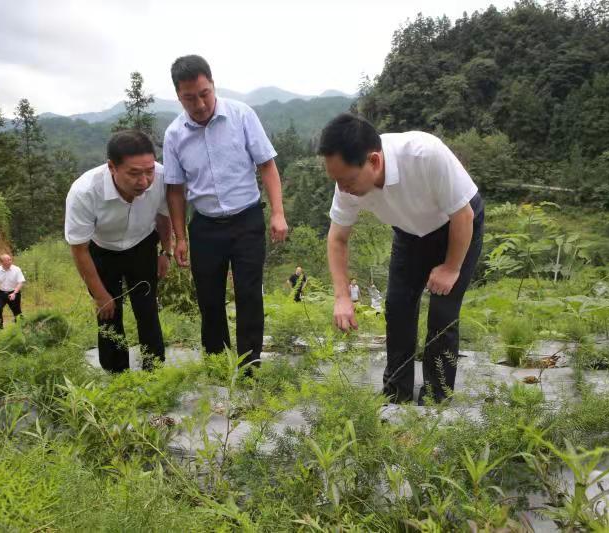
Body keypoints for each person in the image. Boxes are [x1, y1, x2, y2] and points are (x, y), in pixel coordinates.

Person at [320, 113, 484, 405]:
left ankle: (436, 397)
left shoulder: (424, 154)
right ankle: (397, 393)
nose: (342, 188)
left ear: (374, 161)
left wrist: (450, 267)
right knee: (397, 307)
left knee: (442, 314)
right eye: (336, 180)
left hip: (458, 226)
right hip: (409, 234)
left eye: (347, 180)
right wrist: (341, 296)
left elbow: (464, 215)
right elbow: (337, 238)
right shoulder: (345, 182)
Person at [163, 55, 288, 373]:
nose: (200, 103)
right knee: (209, 298)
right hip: (204, 226)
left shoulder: (241, 115)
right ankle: (218, 365)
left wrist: (277, 213)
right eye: (190, 98)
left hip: (246, 219)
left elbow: (267, 165)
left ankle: (250, 367)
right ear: (179, 96)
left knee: (249, 294)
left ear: (212, 85)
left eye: (204, 93)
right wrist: (180, 237)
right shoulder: (174, 134)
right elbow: (175, 190)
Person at [65, 130, 172, 372]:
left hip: (143, 245)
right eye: (134, 173)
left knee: (147, 308)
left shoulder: (162, 177)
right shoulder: (84, 192)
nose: (143, 181)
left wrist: (166, 252)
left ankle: (154, 367)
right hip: (102, 249)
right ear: (112, 167)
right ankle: (116, 371)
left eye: (148, 171)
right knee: (108, 312)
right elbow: (79, 249)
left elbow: (164, 216)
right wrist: (100, 294)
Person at [0, 254, 25, 329]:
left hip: (14, 293)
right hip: (1, 294)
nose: (10, 261)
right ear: (2, 262)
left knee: (17, 312)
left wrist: (14, 293)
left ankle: (19, 328)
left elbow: (21, 282)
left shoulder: (16, 269)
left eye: (10, 259)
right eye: (8, 260)